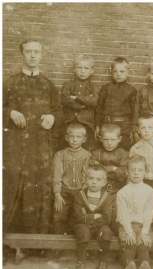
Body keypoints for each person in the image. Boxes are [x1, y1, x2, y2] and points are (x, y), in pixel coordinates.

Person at [3, 39, 61, 235]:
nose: (33, 55)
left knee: (39, 186)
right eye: (29, 51)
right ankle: (11, 242)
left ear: (42, 54)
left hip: (40, 147)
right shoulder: (10, 82)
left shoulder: (48, 85)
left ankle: (37, 241)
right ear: (22, 54)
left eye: (37, 51)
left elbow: (59, 112)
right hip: (15, 146)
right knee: (14, 183)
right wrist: (10, 112)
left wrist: (52, 117)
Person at [117, 155, 153, 269]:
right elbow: (123, 214)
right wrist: (129, 231)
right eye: (133, 170)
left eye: (140, 170)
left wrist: (144, 231)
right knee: (130, 244)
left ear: (145, 172)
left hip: (145, 226)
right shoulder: (122, 192)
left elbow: (149, 212)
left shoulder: (150, 191)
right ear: (127, 172)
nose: (136, 173)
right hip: (127, 226)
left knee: (143, 245)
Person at [73, 164, 115, 269]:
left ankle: (103, 260)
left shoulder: (106, 196)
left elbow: (106, 218)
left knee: (106, 232)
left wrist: (87, 217)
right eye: (90, 178)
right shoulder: (80, 194)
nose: (94, 182)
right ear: (85, 180)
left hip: (100, 226)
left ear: (104, 182)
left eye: (98, 179)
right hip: (83, 225)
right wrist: (95, 216)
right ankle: (81, 261)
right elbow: (77, 216)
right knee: (82, 232)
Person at [52, 123, 91, 235]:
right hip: (64, 191)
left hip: (80, 191)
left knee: (79, 217)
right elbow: (57, 175)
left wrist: (84, 195)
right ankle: (57, 248)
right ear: (66, 138)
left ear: (84, 139)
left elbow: (87, 176)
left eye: (78, 137)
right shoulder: (60, 155)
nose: (74, 140)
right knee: (59, 216)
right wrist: (57, 194)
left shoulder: (87, 155)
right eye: (72, 136)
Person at [90, 123, 129, 234]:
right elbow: (93, 171)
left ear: (119, 139)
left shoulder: (123, 154)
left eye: (113, 139)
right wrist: (112, 168)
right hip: (100, 191)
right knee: (102, 214)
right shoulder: (96, 154)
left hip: (118, 191)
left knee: (116, 214)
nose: (109, 143)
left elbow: (123, 172)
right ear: (100, 139)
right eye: (106, 139)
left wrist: (102, 169)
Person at [95, 57, 137, 151]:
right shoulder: (105, 88)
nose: (118, 74)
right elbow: (99, 109)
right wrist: (97, 125)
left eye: (122, 71)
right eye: (115, 71)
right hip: (107, 125)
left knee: (123, 151)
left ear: (128, 72)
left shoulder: (131, 90)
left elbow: (135, 111)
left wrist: (133, 128)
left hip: (124, 128)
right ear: (111, 72)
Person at [60, 54, 98, 151]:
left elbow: (94, 101)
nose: (82, 71)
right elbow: (65, 100)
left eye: (86, 68)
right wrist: (84, 103)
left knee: (87, 149)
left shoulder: (93, 86)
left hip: (87, 124)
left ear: (92, 70)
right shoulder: (68, 84)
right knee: (66, 148)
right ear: (74, 69)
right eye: (79, 67)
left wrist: (76, 97)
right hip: (69, 122)